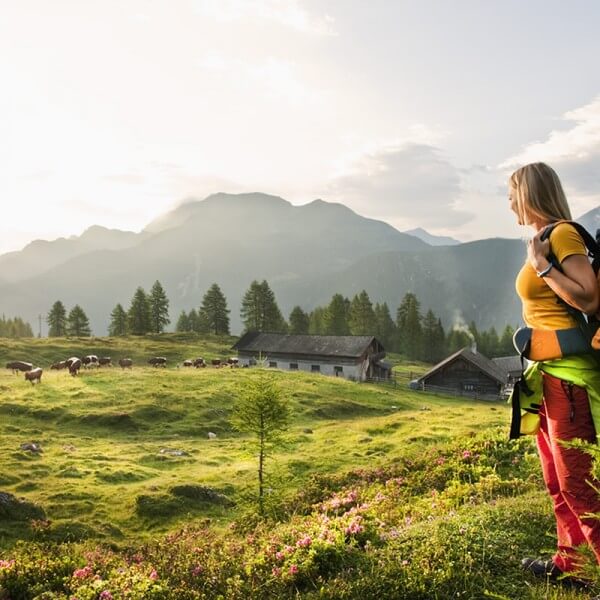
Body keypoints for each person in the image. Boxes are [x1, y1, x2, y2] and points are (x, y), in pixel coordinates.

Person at [509, 162, 600, 583]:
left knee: (580, 485)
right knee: (557, 481)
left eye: (512, 194)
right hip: (546, 376)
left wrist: (543, 267)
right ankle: (573, 566)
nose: (509, 203)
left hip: (571, 380)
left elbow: (588, 297)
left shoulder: (562, 235)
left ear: (529, 193)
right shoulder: (543, 239)